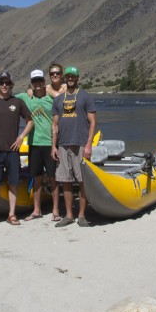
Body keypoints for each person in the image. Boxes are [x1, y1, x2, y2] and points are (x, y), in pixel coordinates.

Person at [0, 71, 33, 227]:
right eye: (1, 83)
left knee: (13, 183)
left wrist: (21, 137)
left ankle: (11, 214)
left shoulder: (18, 102)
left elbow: (30, 121)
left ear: (11, 85)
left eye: (7, 83)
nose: (4, 86)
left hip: (12, 150)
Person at [51, 66, 96, 227]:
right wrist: (53, 146)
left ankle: (82, 215)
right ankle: (69, 215)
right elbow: (55, 125)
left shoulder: (85, 96)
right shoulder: (58, 99)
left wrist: (89, 145)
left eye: (73, 76)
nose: (70, 78)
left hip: (81, 144)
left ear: (77, 78)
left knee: (82, 180)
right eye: (68, 76)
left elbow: (92, 123)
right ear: (65, 78)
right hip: (63, 145)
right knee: (66, 181)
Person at [17, 69, 59, 221]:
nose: (37, 84)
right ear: (32, 84)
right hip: (34, 144)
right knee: (36, 177)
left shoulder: (51, 98)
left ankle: (55, 210)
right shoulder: (25, 97)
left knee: (53, 177)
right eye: (34, 82)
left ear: (44, 82)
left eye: (40, 81)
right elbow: (6, 98)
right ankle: (37, 210)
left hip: (49, 143)